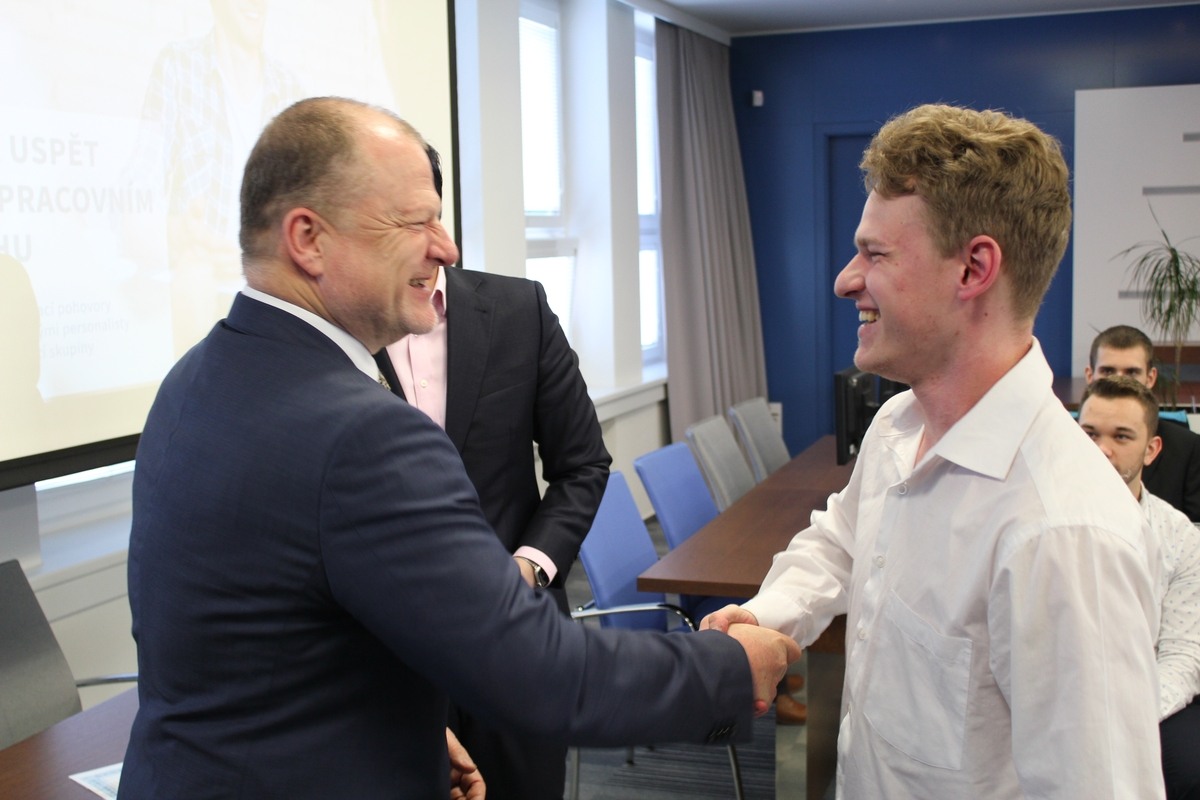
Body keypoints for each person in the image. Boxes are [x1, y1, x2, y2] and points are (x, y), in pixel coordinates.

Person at [118, 97, 801, 799]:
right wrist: (730, 665)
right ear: (308, 239)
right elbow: (541, 676)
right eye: (414, 222)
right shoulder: (363, 432)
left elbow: (266, 647)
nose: (444, 248)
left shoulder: (193, 381)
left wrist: (400, 725)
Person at [702, 103, 1164, 798]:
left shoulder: (1065, 533)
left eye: (876, 254)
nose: (845, 279)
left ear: (974, 268)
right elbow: (841, 543)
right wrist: (765, 616)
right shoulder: (897, 424)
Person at [376, 257, 611, 797]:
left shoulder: (519, 310)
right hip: (386, 658)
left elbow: (583, 464)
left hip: (516, 642)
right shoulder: (340, 327)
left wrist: (528, 568)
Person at [1077, 376, 1200, 800]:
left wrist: (1126, 716)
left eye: (1121, 436)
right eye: (1089, 434)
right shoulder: (1031, 517)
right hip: (1059, 691)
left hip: (1145, 694)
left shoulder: (1179, 537)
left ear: (1151, 449)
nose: (1101, 450)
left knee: (1190, 771)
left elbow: (1183, 656)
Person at [1085, 324, 1200, 521]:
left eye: (1131, 372)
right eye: (1108, 371)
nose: (1119, 381)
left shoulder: (1188, 449)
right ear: (1090, 375)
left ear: (1150, 378)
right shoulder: (1061, 440)